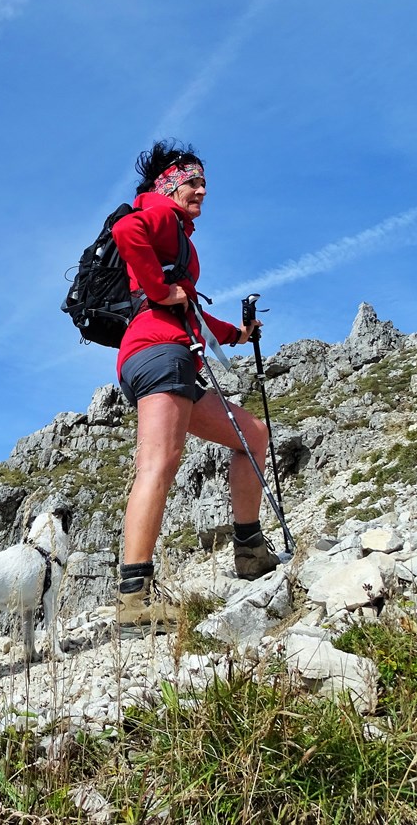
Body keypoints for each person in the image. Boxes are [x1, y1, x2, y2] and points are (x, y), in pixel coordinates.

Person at [110, 139, 280, 627]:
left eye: (204, 182)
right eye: (194, 182)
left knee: (252, 436)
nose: (203, 190)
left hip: (167, 354)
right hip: (158, 354)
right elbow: (126, 232)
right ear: (170, 184)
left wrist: (238, 334)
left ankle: (249, 550)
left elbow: (192, 314)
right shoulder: (159, 213)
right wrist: (162, 289)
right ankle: (133, 601)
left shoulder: (177, 233)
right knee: (158, 464)